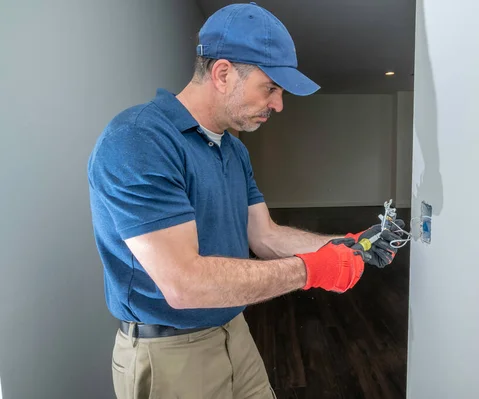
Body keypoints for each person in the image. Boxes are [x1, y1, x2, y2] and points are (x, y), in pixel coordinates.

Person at [87, 2, 403, 398]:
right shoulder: (139, 140)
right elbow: (184, 284)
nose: (278, 104)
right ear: (222, 74)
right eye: (270, 88)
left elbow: (264, 235)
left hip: (235, 332)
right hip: (170, 353)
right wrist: (312, 270)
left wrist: (350, 244)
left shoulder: (233, 152)